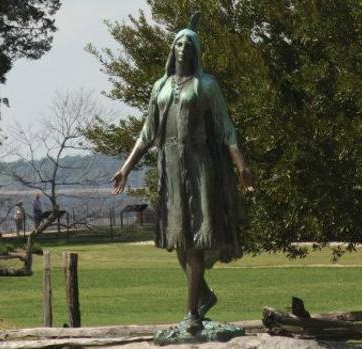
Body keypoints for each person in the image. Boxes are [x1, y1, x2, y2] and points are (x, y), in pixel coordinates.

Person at [112, 14, 254, 333]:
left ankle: (191, 312)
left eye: (188, 43)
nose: (182, 48)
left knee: (195, 238)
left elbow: (226, 129)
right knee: (178, 237)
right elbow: (147, 132)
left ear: (196, 51)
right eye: (178, 42)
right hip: (171, 166)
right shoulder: (160, 87)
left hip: (201, 163)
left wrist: (241, 165)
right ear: (171, 49)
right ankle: (203, 295)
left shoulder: (207, 85)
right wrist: (125, 168)